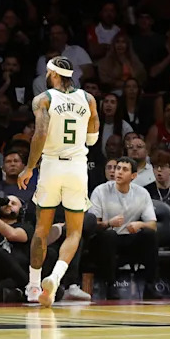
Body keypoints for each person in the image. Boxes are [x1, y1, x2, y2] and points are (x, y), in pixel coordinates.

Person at [18, 56, 99, 308]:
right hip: (77, 167)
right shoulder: (88, 99)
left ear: (52, 74)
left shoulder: (43, 99)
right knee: (74, 232)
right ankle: (55, 277)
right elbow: (93, 138)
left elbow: (40, 133)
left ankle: (34, 286)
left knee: (41, 229)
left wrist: (29, 167)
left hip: (52, 165)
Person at [88, 157, 162, 299]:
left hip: (129, 238)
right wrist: (109, 223)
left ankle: (150, 285)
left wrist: (140, 224)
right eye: (118, 168)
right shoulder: (100, 191)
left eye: (124, 169)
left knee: (149, 234)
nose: (119, 172)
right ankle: (110, 285)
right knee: (109, 236)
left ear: (133, 176)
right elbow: (93, 225)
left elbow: (153, 225)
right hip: (105, 239)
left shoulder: (142, 193)